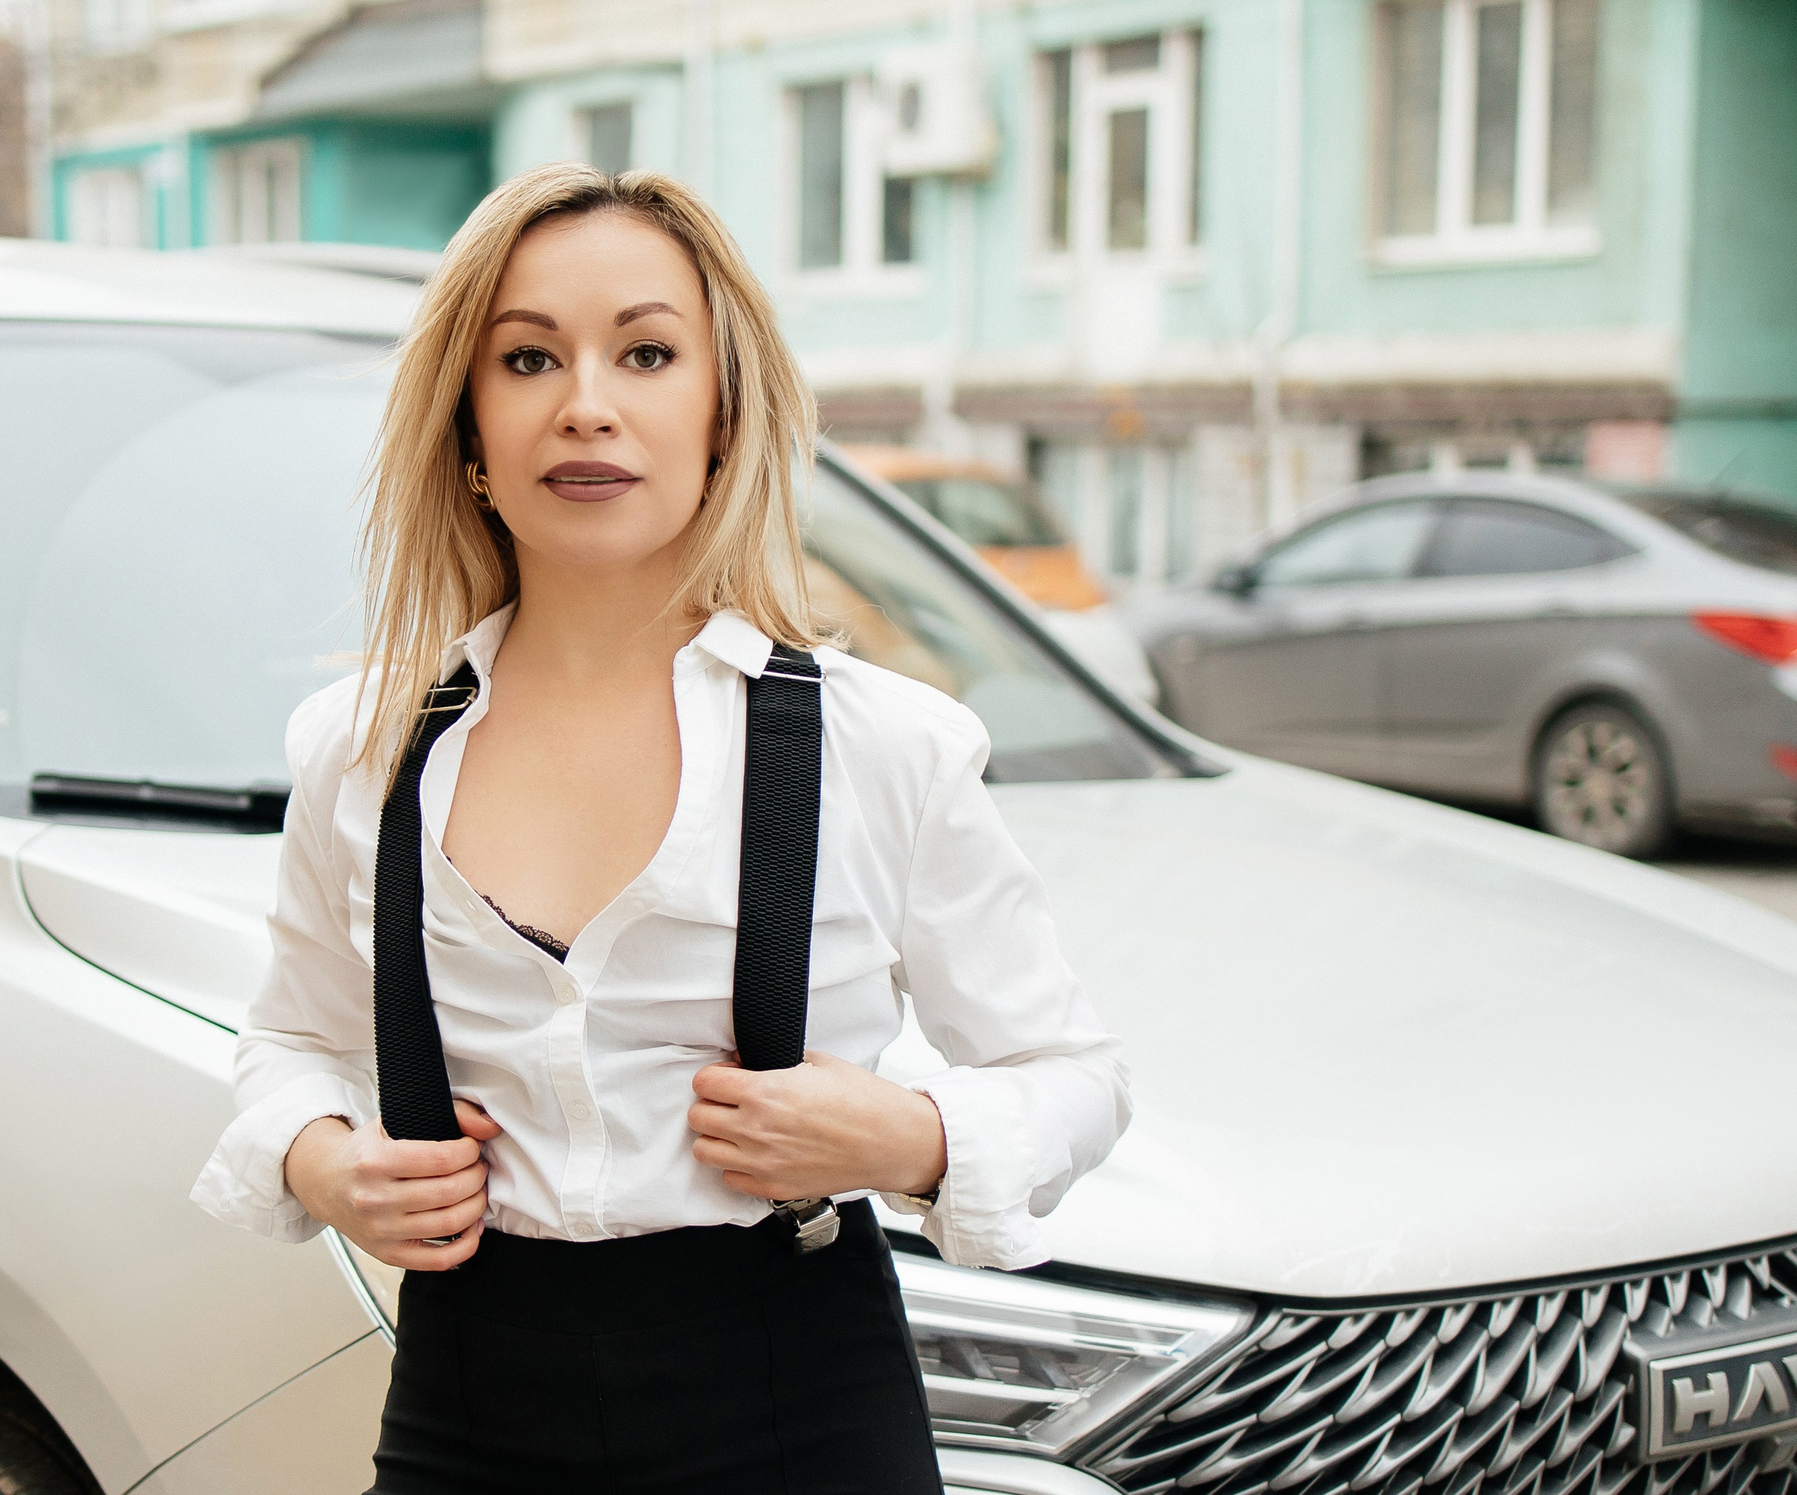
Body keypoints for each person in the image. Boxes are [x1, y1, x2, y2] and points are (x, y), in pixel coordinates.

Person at [191, 164, 1131, 1494]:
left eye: (645, 352)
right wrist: (327, 1165)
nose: (587, 406)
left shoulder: (883, 746)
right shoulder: (361, 749)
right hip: (469, 1408)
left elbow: (1078, 1075)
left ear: (720, 410)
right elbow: (291, 1038)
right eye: (527, 359)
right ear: (467, 429)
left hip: (797, 1402)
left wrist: (905, 1137)